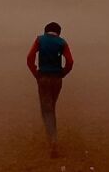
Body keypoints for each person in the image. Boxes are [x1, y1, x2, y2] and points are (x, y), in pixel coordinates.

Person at [26, 21, 74, 156]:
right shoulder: (62, 42)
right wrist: (63, 73)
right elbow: (70, 61)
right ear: (58, 32)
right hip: (57, 79)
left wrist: (36, 73)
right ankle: (53, 136)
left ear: (45, 30)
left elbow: (30, 58)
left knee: (46, 109)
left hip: (43, 78)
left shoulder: (40, 40)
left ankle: (52, 139)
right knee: (52, 106)